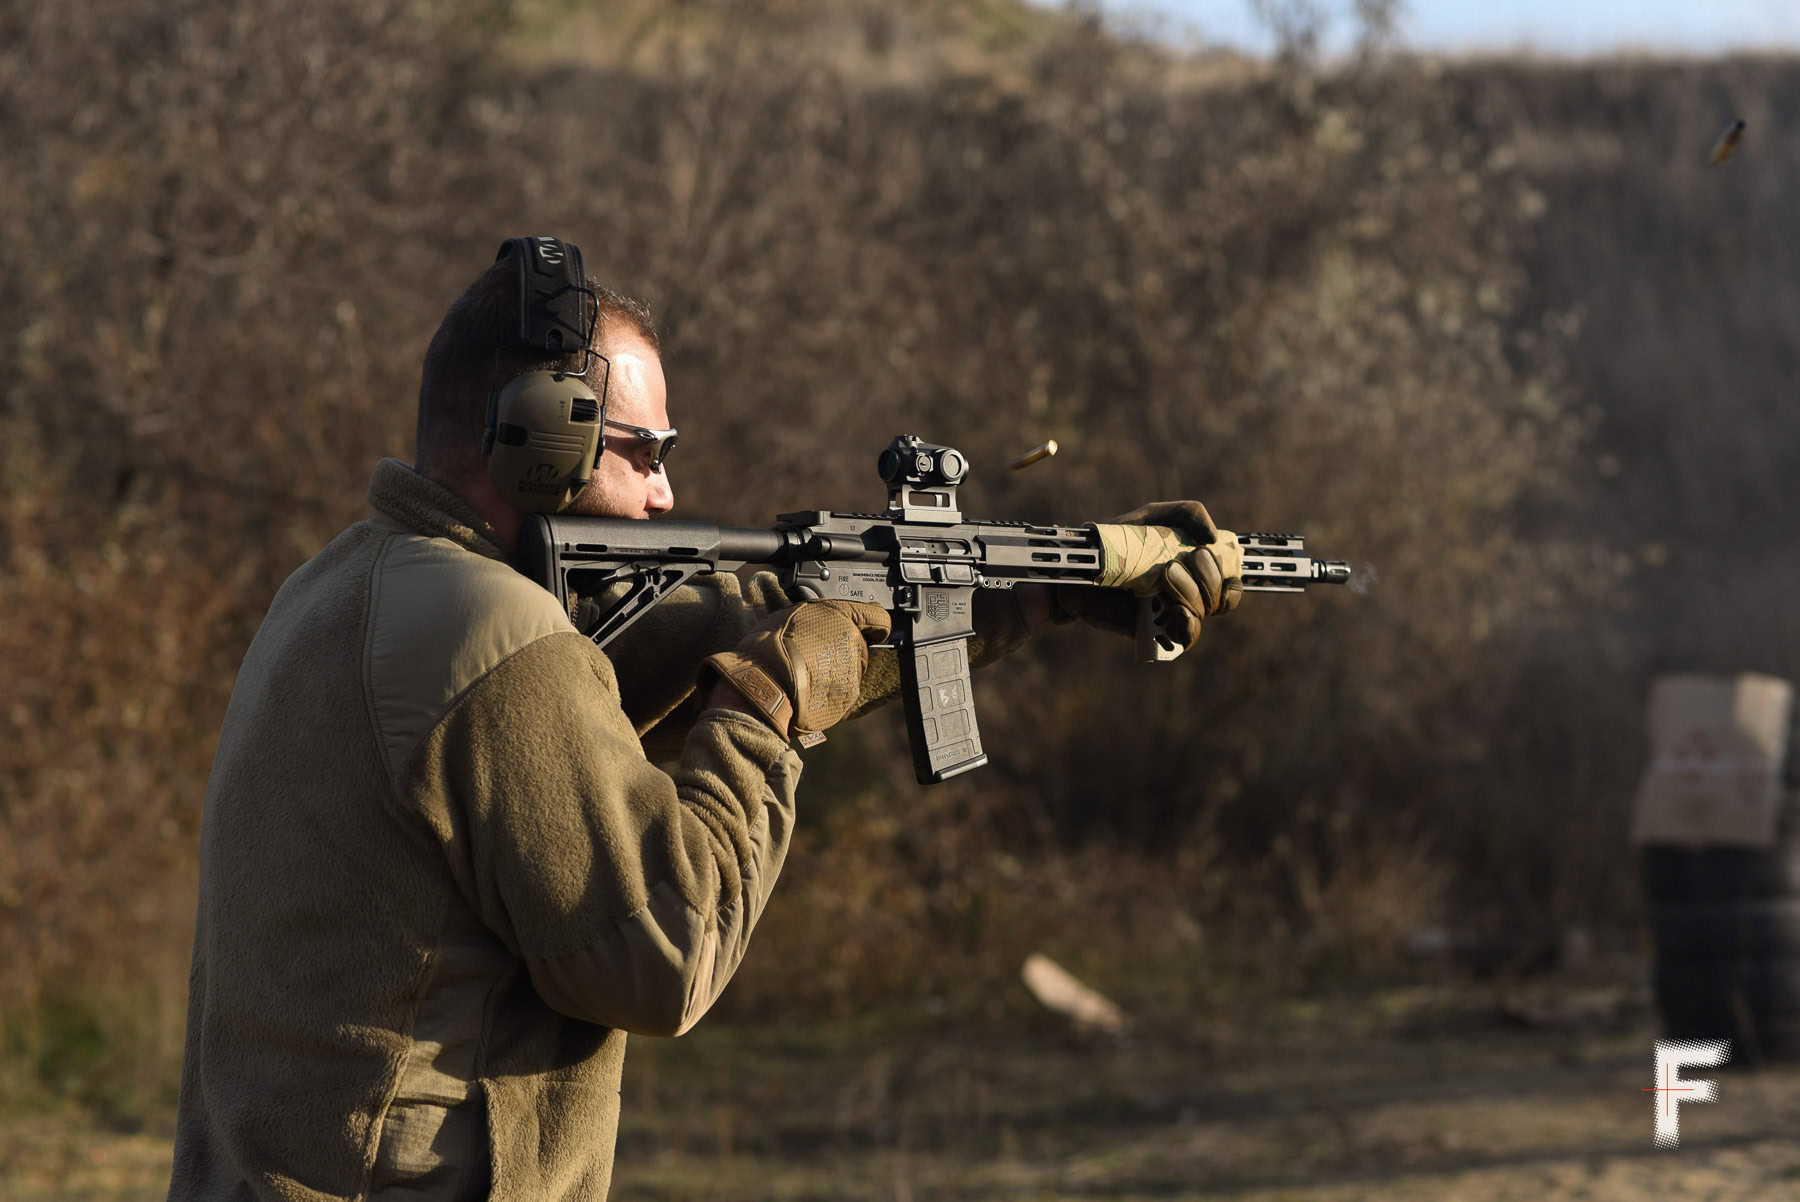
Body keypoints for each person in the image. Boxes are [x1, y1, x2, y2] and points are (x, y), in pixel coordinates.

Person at [167, 240, 1243, 1201]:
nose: (665, 494)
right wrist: (764, 713)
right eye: (647, 450)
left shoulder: (354, 586)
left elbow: (681, 646)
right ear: (545, 436)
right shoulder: (496, 633)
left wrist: (1035, 592)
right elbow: (665, 952)